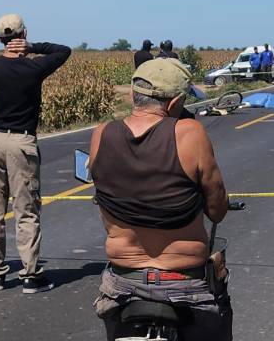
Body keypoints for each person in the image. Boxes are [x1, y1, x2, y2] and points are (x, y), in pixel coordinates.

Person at [88, 58, 232, 341]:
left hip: (122, 282)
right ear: (175, 102)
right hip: (184, 283)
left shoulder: (101, 134)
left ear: (132, 94)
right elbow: (217, 211)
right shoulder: (190, 133)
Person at [0, 14, 71, 294]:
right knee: (26, 210)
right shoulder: (33, 68)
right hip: (22, 141)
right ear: (23, 34)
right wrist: (31, 46)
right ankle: (30, 275)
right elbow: (63, 50)